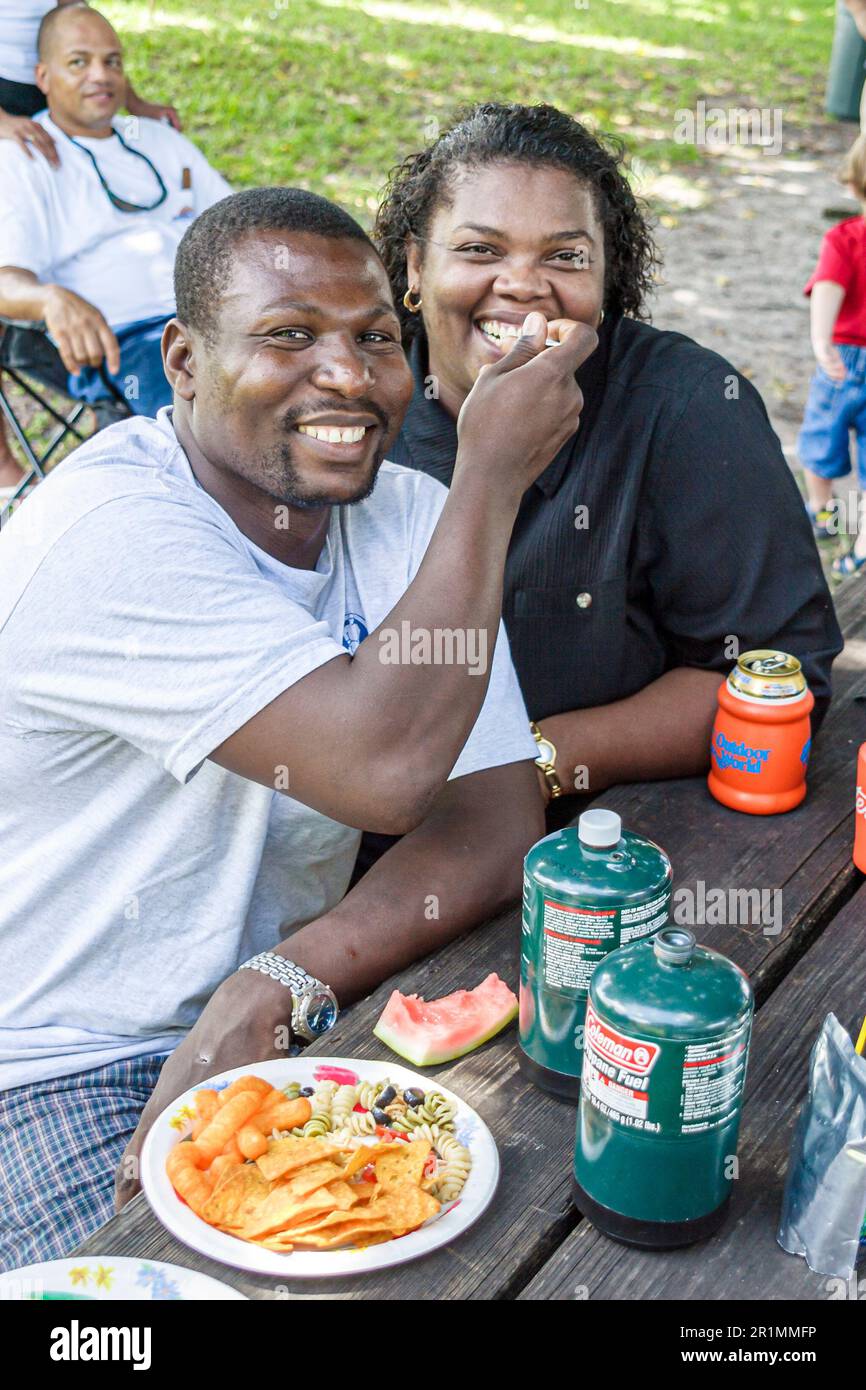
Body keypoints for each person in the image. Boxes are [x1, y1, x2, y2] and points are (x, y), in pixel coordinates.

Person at [0, 185, 598, 1268]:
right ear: (181, 360)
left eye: (376, 338)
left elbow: (496, 814)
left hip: (286, 1029)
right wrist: (492, 480)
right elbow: (383, 771)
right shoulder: (109, 535)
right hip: (48, 1067)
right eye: (288, 335)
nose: (347, 376)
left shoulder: (413, 516)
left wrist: (283, 977)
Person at [372, 102, 843, 819]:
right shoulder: (353, 410)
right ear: (414, 265)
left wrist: (533, 764)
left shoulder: (688, 407)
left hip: (599, 845)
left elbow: (772, 676)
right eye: (480, 250)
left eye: (565, 256)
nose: (523, 285)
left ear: (607, 272)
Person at [0, 3, 228, 458]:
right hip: (132, 337)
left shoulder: (156, 138)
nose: (100, 75)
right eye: (79, 62)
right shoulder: (23, 158)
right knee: (218, 422)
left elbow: (240, 224)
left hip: (221, 321)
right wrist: (50, 299)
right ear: (43, 78)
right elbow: (7, 281)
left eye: (113, 62)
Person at [798, 134, 866, 576]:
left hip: (844, 362)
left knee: (820, 437)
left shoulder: (846, 239)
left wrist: (821, 342)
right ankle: (859, 552)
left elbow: (828, 289)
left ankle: (822, 512)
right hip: (847, 359)